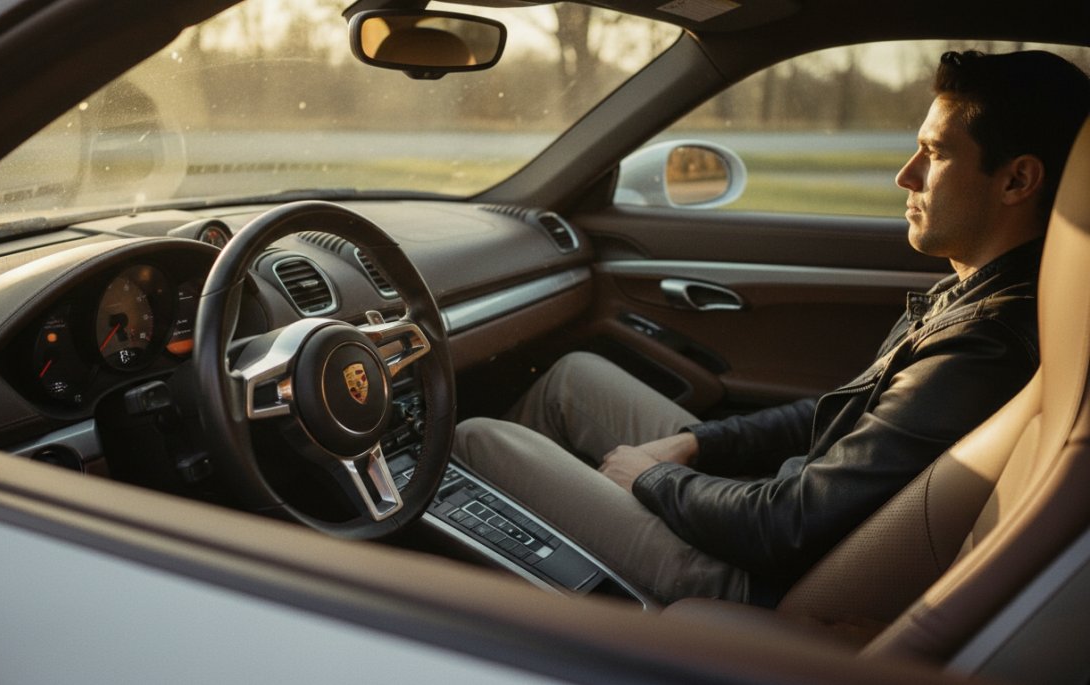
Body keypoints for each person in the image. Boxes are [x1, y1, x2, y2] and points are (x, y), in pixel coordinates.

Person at [453, 50, 1090, 607]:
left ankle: (449, 614)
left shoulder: (985, 344)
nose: (906, 176)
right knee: (573, 381)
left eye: (935, 153)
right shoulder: (990, 294)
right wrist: (695, 450)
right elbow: (840, 415)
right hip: (772, 513)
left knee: (479, 441)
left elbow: (787, 527)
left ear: (1017, 179)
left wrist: (650, 479)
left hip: (749, 578)